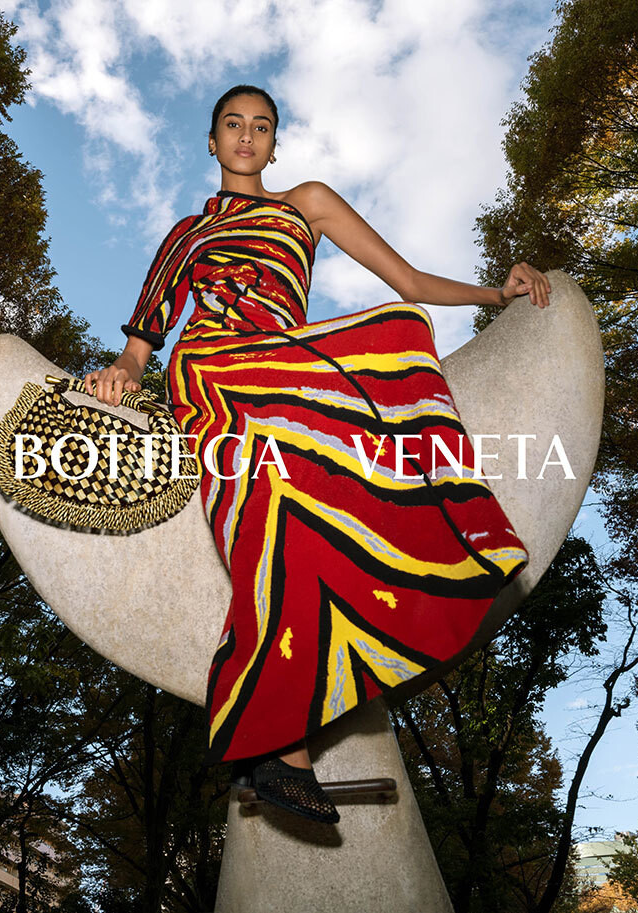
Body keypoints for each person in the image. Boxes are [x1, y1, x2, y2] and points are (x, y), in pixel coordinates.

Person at [85, 84, 550, 825]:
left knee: (397, 334)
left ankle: (285, 726)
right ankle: (282, 743)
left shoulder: (308, 203)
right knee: (262, 498)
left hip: (287, 369)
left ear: (274, 145)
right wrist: (125, 370)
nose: (246, 136)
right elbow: (147, 332)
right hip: (215, 369)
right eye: (232, 124)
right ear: (213, 140)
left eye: (261, 127)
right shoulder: (186, 233)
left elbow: (409, 282)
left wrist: (499, 294)